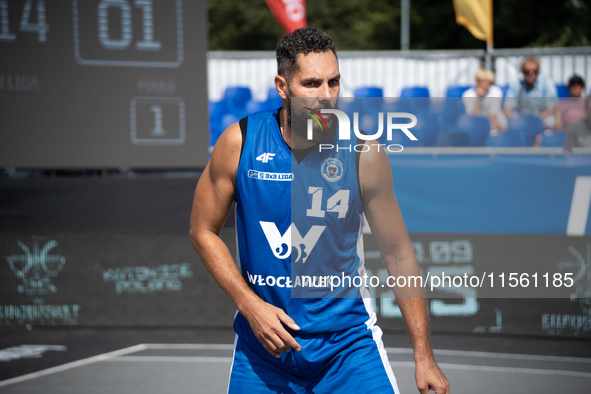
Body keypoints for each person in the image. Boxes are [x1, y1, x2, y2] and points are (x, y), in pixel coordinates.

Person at [190, 27, 449, 394]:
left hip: (348, 350)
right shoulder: (240, 143)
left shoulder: (364, 155)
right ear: (282, 86)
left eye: (334, 83)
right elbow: (202, 231)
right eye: (312, 84)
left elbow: (398, 253)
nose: (326, 97)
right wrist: (250, 306)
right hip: (264, 352)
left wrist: (423, 356)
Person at [504, 56, 559, 128]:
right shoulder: (516, 84)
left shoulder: (547, 83)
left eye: (534, 71)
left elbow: (551, 109)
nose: (531, 74)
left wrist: (535, 120)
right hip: (521, 119)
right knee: (503, 122)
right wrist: (518, 120)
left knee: (551, 121)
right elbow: (507, 108)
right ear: (522, 71)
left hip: (542, 118)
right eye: (527, 71)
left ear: (538, 70)